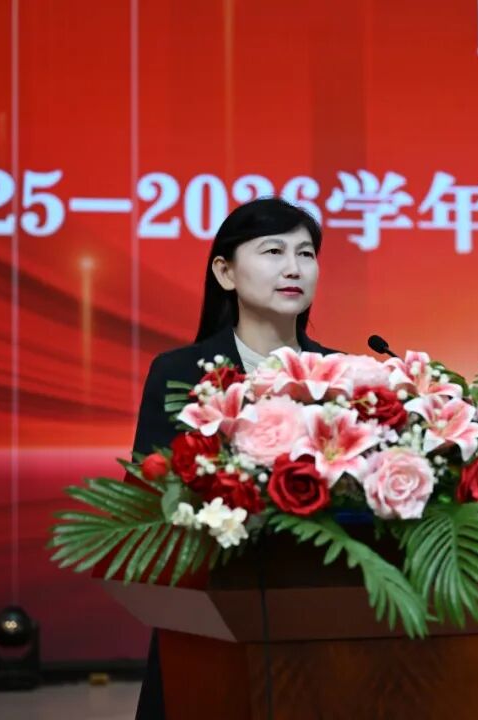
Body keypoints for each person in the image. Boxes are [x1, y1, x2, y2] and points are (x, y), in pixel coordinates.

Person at [130, 197, 337, 720]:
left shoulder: (344, 374)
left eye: (306, 254)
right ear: (225, 272)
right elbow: (149, 496)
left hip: (321, 615)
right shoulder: (180, 374)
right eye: (273, 251)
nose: (294, 268)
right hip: (210, 616)